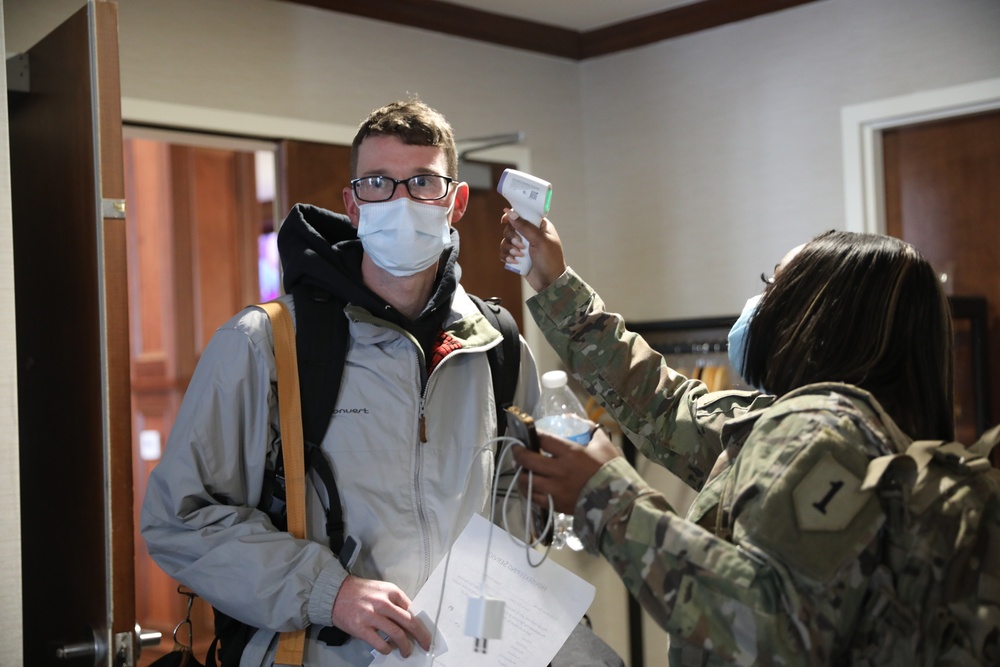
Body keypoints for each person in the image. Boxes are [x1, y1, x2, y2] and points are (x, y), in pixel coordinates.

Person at [140, 98, 541, 667]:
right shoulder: (264, 344)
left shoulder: (497, 347)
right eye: (380, 183)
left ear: (456, 203)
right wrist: (329, 593)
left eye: (424, 182)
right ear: (353, 205)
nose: (401, 201)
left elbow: (522, 500)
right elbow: (178, 518)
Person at [499, 216, 989, 664]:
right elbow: (666, 406)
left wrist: (607, 497)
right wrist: (555, 283)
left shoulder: (820, 433)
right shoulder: (830, 429)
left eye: (773, 284)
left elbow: (769, 631)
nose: (759, 303)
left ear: (823, 318)